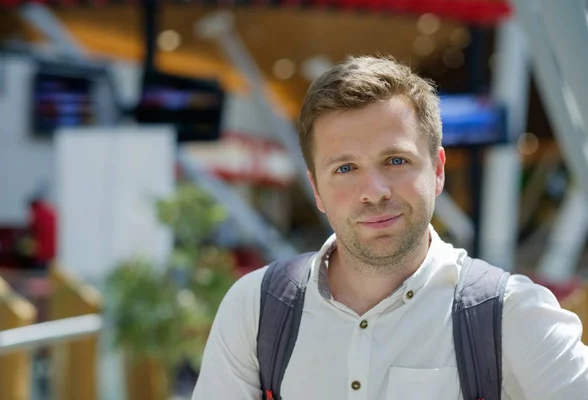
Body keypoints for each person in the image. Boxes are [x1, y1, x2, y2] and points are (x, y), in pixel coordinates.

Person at [191, 55, 588, 399]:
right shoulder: (256, 310)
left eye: (396, 160)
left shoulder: (510, 314)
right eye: (345, 168)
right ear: (316, 189)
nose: (374, 191)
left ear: (436, 170)